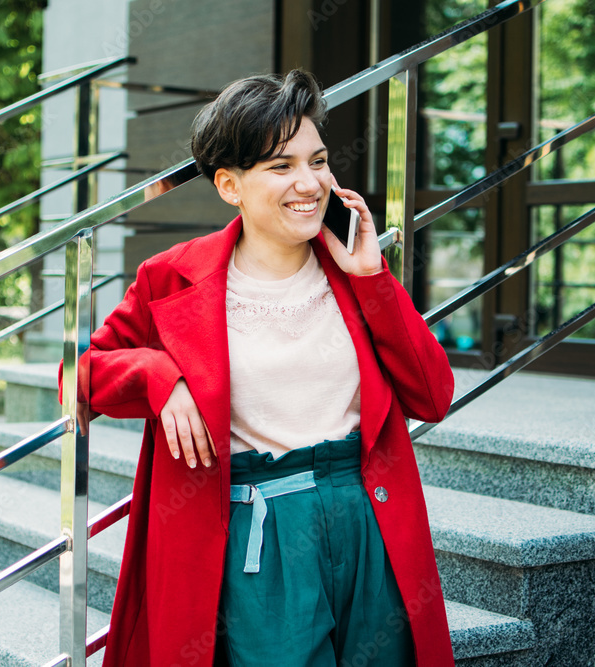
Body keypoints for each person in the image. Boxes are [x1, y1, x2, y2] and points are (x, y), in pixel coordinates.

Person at [61, 69, 455, 666]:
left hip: (365, 515)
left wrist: (373, 281)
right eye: (281, 166)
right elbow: (79, 375)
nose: (309, 183)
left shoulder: (352, 268)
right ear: (229, 185)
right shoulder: (172, 278)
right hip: (260, 532)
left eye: (318, 161)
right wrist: (158, 379)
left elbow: (432, 396)